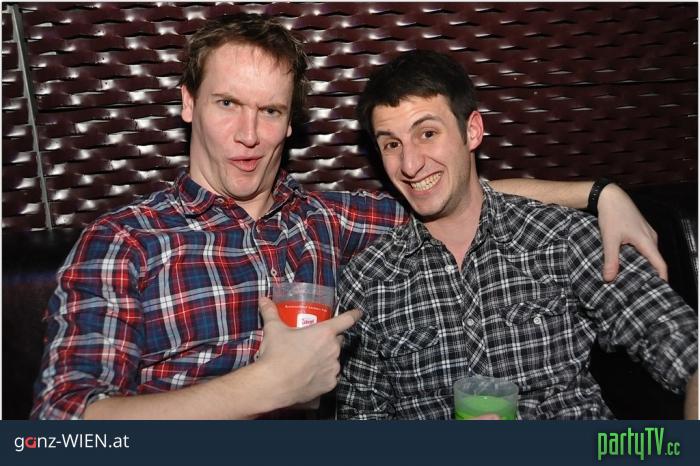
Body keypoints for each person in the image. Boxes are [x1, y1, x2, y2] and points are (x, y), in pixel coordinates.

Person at [32, 14, 668, 420]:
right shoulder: (126, 243)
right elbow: (57, 428)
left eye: (271, 111)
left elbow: (453, 192)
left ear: (291, 122)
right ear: (188, 104)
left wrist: (598, 192)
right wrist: (266, 387)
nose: (249, 134)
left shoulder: (326, 218)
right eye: (227, 103)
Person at [335, 50, 698, 419]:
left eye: (427, 134)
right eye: (392, 144)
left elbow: (685, 347)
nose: (410, 165)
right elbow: (360, 420)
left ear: (472, 131)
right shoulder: (369, 280)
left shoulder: (560, 238)